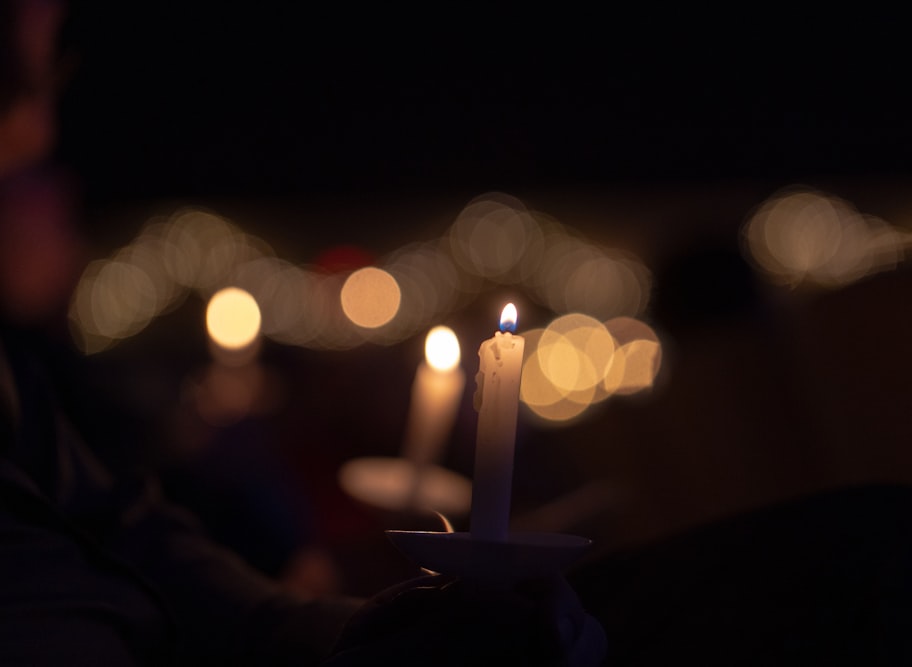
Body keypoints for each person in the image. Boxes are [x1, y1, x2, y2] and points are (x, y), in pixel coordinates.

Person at [0, 2, 607, 665]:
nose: (36, 135)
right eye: (27, 80)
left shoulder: (19, 385)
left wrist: (354, 630)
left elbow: (124, 527)